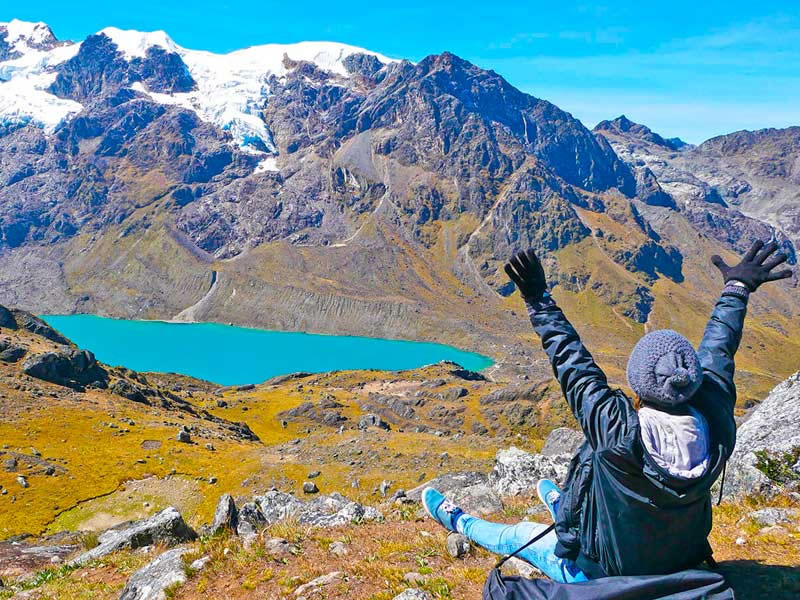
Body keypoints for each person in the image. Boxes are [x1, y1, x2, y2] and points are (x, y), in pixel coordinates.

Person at [423, 240, 794, 583]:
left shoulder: (617, 430)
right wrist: (736, 289)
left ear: (639, 384)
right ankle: (566, 506)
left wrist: (538, 299)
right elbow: (718, 350)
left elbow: (571, 361)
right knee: (595, 471)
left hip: (603, 572)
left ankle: (460, 521)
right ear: (692, 378)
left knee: (520, 534)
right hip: (681, 561)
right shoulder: (715, 417)